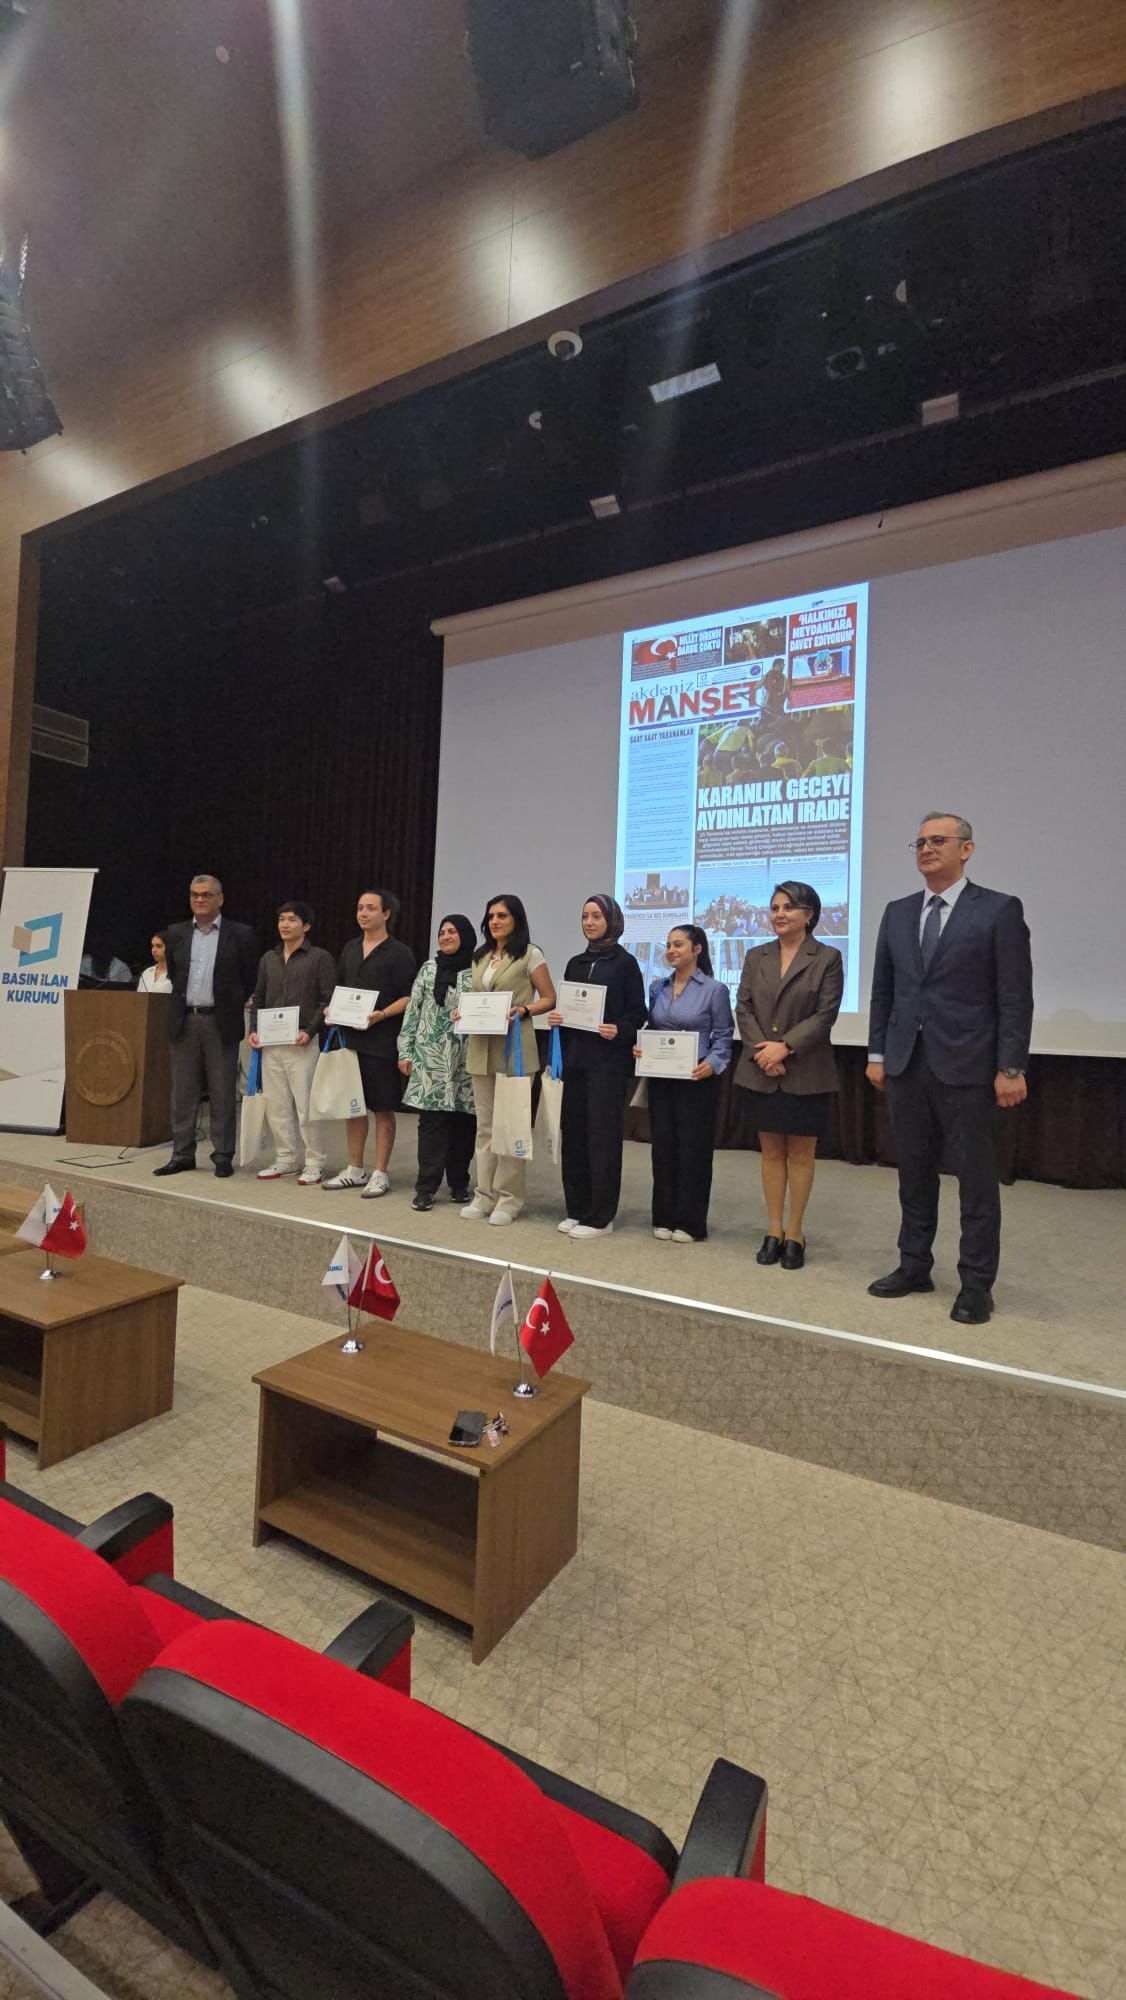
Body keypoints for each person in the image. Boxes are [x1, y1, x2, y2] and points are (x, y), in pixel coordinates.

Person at [866, 813, 1033, 1325]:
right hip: (906, 1063)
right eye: (919, 841)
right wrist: (877, 1054)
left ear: (967, 849)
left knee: (976, 1180)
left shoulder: (999, 910)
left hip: (969, 1065)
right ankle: (914, 1265)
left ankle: (977, 1284)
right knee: (913, 1174)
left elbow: (1015, 996)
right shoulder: (898, 912)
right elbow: (884, 991)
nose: (926, 848)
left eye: (938, 840)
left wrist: (1011, 1066)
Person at [734, 882, 843, 1269]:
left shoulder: (827, 957)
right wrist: (763, 1052)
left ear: (808, 915)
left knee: (800, 1154)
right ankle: (774, 1229)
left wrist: (785, 1048)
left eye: (788, 908)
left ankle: (795, 1232)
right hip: (761, 1067)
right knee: (771, 1153)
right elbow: (743, 1007)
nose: (779, 914)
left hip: (806, 1069)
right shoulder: (756, 955)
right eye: (775, 907)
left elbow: (825, 1015)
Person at [546, 894, 646, 1240]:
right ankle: (576, 1208)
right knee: (573, 1135)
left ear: (612, 921)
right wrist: (558, 1017)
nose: (589, 922)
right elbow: (569, 1007)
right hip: (575, 1061)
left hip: (608, 1064)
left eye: (596, 916)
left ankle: (601, 1217)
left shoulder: (625, 964)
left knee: (602, 1138)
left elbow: (638, 1013)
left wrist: (619, 1029)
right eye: (585, 916)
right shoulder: (575, 962)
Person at [459, 893, 556, 1227]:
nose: (495, 921)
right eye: (491, 916)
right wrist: (464, 1013)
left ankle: (509, 1198)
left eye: (502, 915)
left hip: (515, 1048)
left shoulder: (530, 954)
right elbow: (477, 998)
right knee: (485, 1127)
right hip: (481, 1047)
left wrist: (525, 1009)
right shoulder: (480, 956)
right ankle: (483, 1195)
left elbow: (549, 998)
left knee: (511, 1124)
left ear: (517, 919)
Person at [633, 925, 733, 1243]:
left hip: (696, 1078)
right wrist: (641, 1047)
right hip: (662, 1078)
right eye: (668, 945)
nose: (671, 950)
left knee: (693, 1149)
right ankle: (663, 1216)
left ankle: (690, 1222)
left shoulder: (715, 990)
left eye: (678, 944)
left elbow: (724, 1036)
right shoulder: (657, 988)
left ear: (697, 949)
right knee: (663, 1147)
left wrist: (712, 1064)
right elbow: (652, 1027)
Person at [157, 874, 258, 1179]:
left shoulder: (241, 934)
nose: (200, 899)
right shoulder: (176, 933)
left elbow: (248, 978)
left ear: (220, 899)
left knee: (222, 1091)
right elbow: (175, 974)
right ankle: (182, 1154)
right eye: (194, 894)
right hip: (184, 1020)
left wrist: (228, 1002)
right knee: (183, 1093)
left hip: (220, 1021)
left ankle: (223, 1155)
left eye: (207, 894)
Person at [324, 890, 416, 1197]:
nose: (363, 913)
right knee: (354, 1106)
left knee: (382, 1107)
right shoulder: (350, 948)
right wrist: (332, 1010)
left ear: (386, 914)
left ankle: (380, 1172)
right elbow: (341, 989)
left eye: (371, 908)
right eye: (360, 908)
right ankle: (355, 1168)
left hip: (382, 1040)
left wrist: (382, 1015)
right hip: (350, 1039)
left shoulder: (399, 953)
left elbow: (409, 997)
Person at [248, 901, 337, 1185]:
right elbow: (258, 998)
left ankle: (315, 1161)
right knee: (276, 1105)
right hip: (271, 1042)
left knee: (306, 1105)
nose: (285, 924)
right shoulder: (268, 958)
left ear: (306, 926)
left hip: (302, 1041)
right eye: (282, 919)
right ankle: (285, 1159)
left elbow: (327, 999)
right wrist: (254, 1031)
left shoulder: (319, 957)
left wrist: (310, 1031)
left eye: (292, 919)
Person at [397, 914, 477, 1213]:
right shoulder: (428, 969)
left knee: (464, 1124)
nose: (445, 937)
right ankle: (425, 1187)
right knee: (431, 1124)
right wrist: (405, 1051)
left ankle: (459, 1183)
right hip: (429, 1058)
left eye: (452, 931)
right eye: (442, 932)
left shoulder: (477, 970)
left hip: (466, 1059)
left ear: (465, 936)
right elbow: (413, 1011)